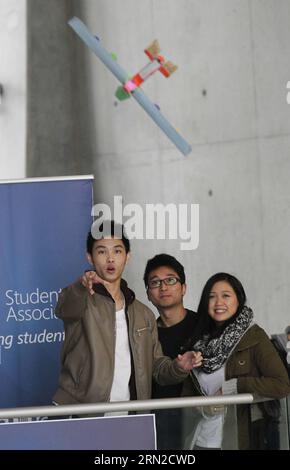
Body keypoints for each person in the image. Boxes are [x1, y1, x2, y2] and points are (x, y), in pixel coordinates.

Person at [53, 221, 201, 409]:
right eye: (101, 251)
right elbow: (63, 308)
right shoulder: (81, 299)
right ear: (89, 257)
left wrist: (178, 368)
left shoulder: (143, 314)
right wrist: (80, 285)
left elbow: (156, 368)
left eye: (117, 251)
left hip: (131, 416)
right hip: (82, 411)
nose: (110, 259)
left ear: (127, 256)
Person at [183, 272, 290, 450]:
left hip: (236, 441)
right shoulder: (198, 341)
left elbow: (282, 384)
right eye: (212, 297)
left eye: (226, 296)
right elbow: (187, 398)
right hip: (200, 442)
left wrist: (232, 387)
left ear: (238, 300)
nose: (218, 303)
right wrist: (203, 408)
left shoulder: (253, 336)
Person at [144, 253, 198, 449]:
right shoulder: (143, 333)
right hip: (156, 427)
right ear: (148, 293)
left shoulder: (203, 326)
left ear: (184, 288)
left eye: (170, 280)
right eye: (155, 283)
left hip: (197, 424)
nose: (163, 287)